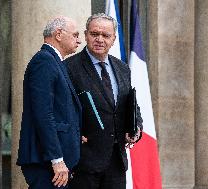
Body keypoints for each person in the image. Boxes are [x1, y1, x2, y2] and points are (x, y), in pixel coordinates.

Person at [64, 13, 143, 189]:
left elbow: (131, 106)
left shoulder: (123, 68)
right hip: (83, 163)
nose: (100, 39)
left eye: (106, 35)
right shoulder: (69, 68)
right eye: (94, 34)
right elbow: (59, 110)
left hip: (116, 162)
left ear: (114, 39)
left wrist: (136, 129)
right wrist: (71, 135)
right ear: (85, 35)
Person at [17, 16, 82, 189]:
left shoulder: (55, 61)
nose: (79, 40)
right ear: (59, 34)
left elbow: (61, 111)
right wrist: (57, 159)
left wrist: (75, 135)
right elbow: (43, 114)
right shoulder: (44, 61)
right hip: (46, 161)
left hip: (54, 161)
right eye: (75, 35)